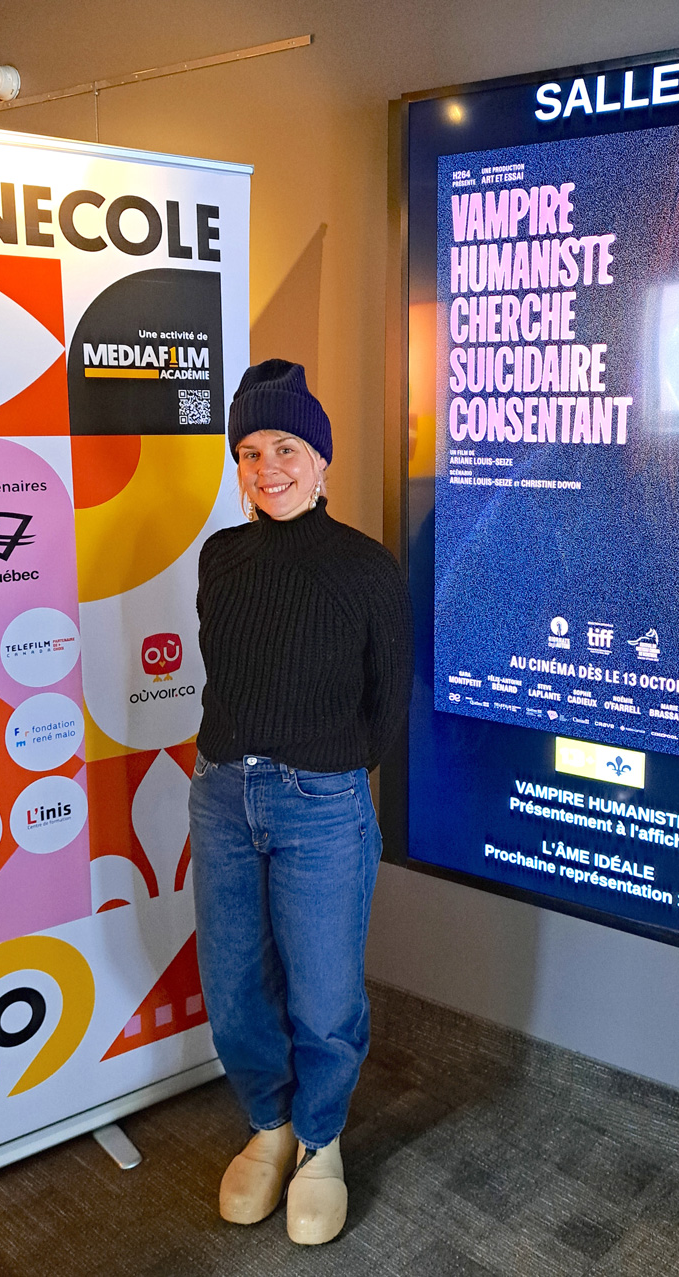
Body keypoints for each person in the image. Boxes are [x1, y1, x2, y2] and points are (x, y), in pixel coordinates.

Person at [187, 359, 413, 1245]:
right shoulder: (220, 557)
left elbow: (386, 702)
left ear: (321, 459)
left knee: (324, 995)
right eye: (248, 451)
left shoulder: (365, 567)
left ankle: (320, 1140)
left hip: (320, 802)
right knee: (235, 985)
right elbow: (228, 670)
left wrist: (328, 772)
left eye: (285, 446)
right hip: (221, 794)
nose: (266, 467)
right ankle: (269, 1124)